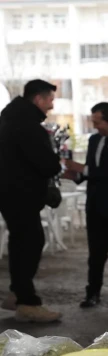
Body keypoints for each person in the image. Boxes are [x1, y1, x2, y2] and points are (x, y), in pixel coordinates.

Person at [0, 80, 64, 322]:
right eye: (49, 99)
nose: (51, 104)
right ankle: (27, 301)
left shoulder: (8, 118)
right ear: (38, 99)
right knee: (29, 243)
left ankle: (17, 294)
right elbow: (46, 163)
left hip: (10, 194)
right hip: (21, 195)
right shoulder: (26, 125)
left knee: (21, 243)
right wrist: (54, 162)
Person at [63, 102, 108, 308]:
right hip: (95, 206)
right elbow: (93, 171)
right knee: (95, 254)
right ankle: (92, 293)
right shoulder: (95, 140)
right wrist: (74, 175)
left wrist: (84, 170)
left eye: (98, 122)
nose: (95, 127)